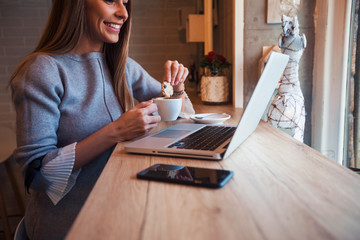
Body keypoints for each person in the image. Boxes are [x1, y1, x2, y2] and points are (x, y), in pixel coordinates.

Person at [10, 0, 194, 239]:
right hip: (67, 227)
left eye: (126, 2)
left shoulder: (123, 67)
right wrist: (116, 131)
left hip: (119, 217)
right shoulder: (43, 70)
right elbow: (39, 175)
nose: (123, 13)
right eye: (110, 0)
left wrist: (177, 87)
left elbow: (185, 116)